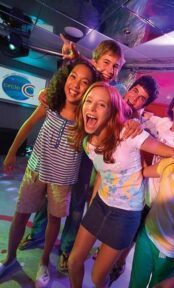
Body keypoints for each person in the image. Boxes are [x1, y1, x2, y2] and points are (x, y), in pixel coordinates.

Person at [18, 37, 136, 274]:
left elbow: (125, 112)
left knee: (76, 203)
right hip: (65, 146)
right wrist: (47, 92)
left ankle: (67, 248)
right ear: (95, 61)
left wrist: (133, 120)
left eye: (116, 66)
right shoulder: (85, 79)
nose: (110, 70)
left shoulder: (115, 90)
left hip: (89, 155)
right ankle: (38, 233)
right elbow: (63, 89)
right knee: (49, 193)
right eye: (106, 62)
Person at [59, 81, 174, 288]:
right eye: (89, 102)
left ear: (112, 109)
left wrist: (150, 170)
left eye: (101, 105)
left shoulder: (131, 130)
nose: (92, 109)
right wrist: (93, 202)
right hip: (102, 204)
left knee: (97, 278)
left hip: (125, 213)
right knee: (74, 261)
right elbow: (103, 174)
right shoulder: (87, 142)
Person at [0, 59, 99, 288]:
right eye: (73, 76)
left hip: (62, 180)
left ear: (90, 90)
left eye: (85, 82)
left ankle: (44, 262)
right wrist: (12, 152)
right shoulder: (50, 102)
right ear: (66, 77)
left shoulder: (87, 119)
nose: (75, 84)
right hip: (36, 170)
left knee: (54, 221)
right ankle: (10, 259)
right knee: (21, 214)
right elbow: (27, 124)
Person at [109, 81, 174, 284]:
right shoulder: (162, 124)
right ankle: (119, 261)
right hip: (147, 193)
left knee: (151, 247)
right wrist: (136, 122)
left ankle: (135, 268)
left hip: (169, 207)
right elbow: (142, 117)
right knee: (135, 234)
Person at [123, 119, 174, 288]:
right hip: (146, 237)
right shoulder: (170, 165)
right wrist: (135, 144)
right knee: (135, 286)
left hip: (171, 254)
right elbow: (142, 172)